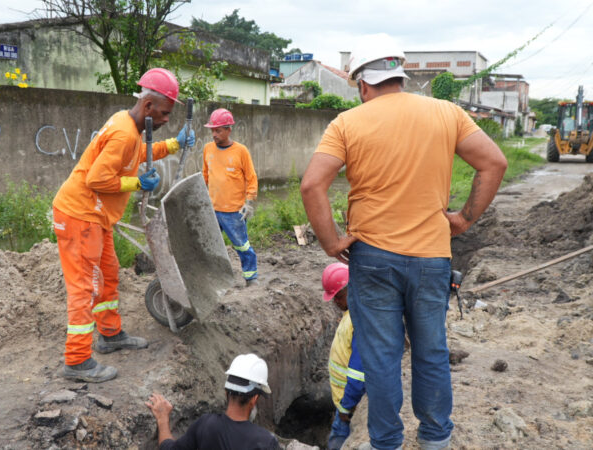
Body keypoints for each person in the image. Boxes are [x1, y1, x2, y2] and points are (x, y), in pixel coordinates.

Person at [300, 44, 507, 450]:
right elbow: (494, 163)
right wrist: (463, 219)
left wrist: (331, 243)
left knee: (381, 355)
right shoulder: (447, 113)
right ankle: (435, 439)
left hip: (373, 258)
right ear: (400, 77)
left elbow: (312, 185)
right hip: (432, 256)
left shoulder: (346, 123)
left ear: (363, 84)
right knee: (431, 351)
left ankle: (386, 442)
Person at [52, 68, 195, 383]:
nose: (166, 119)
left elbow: (139, 153)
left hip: (96, 216)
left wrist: (174, 144)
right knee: (85, 287)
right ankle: (77, 361)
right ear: (148, 106)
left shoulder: (129, 126)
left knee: (108, 274)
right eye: (165, 113)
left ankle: (110, 334)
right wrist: (137, 183)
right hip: (80, 215)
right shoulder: (123, 132)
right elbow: (97, 179)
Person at [145, 353, 278, 449]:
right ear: (254, 399)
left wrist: (162, 420)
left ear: (226, 392)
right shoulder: (265, 442)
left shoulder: (205, 425)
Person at [201, 108, 259, 286]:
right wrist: (200, 198)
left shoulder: (241, 151)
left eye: (218, 130)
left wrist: (249, 202)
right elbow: (205, 176)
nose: (214, 134)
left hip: (234, 212)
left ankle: (251, 277)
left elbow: (251, 178)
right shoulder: (208, 149)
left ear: (228, 130)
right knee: (209, 246)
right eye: (212, 130)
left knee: (242, 245)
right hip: (212, 209)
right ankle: (213, 278)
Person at [322, 262, 365, 450]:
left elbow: (358, 373)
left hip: (349, 405)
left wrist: (346, 407)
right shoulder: (352, 313)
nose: (335, 302)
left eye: (338, 296)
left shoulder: (359, 320)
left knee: (338, 440)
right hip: (344, 401)